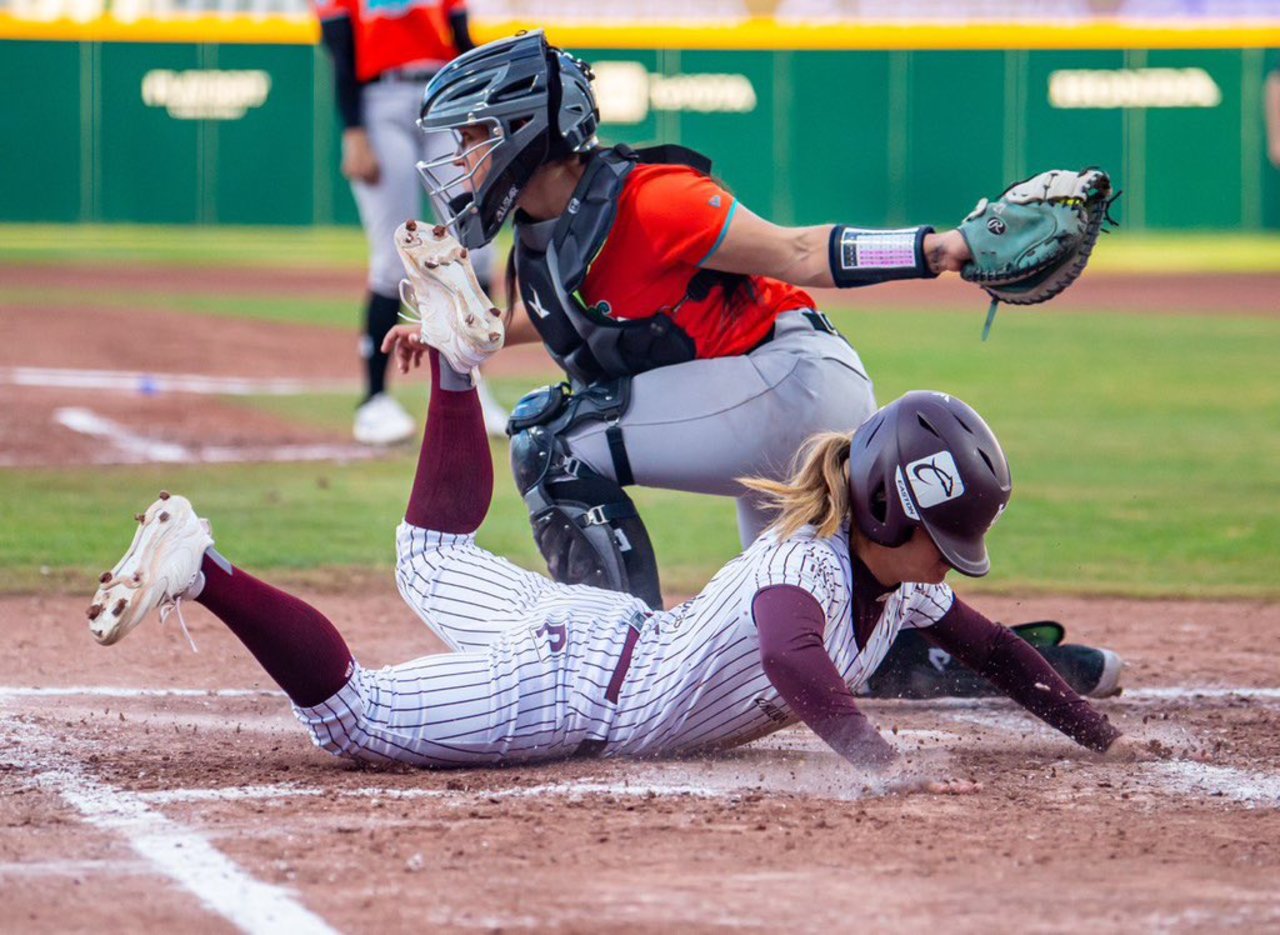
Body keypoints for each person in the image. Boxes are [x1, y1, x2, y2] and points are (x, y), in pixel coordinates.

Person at [85, 282, 1141, 781]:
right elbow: (785, 652)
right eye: (939, 539)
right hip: (573, 685)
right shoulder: (801, 569)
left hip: (594, 633)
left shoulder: (891, 576)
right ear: (880, 507)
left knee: (430, 556)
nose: (944, 568)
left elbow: (994, 649)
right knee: (352, 722)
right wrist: (874, 757)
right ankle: (204, 567)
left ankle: (458, 365)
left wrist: (1090, 733)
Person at [408, 30, 1122, 698]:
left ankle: (617, 667)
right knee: (796, 627)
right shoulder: (545, 240)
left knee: (550, 438)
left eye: (475, 135)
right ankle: (949, 661)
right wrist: (459, 330)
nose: (463, 155)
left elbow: (797, 252)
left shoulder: (653, 198)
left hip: (789, 384)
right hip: (759, 399)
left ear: (530, 129)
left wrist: (935, 250)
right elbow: (571, 317)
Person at [314, 0, 507, 444]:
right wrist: (353, 133)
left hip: (445, 97)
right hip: (379, 99)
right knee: (392, 256)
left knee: (476, 246)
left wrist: (478, 117)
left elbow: (462, 41)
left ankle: (475, 386)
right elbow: (341, 52)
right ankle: (375, 399)